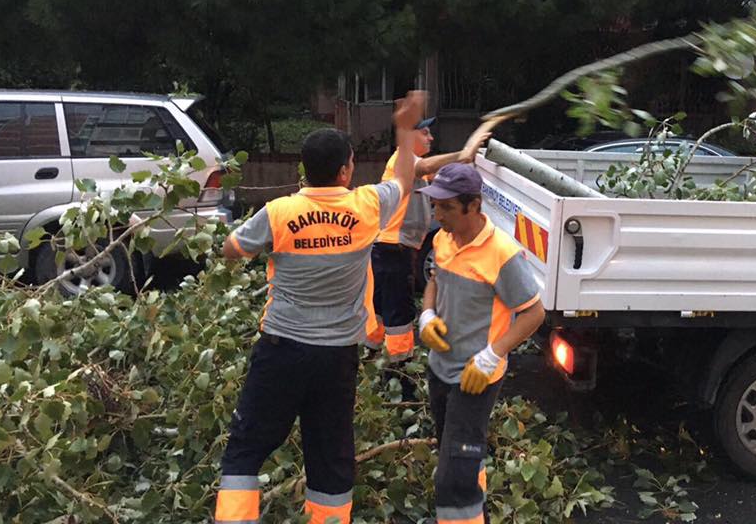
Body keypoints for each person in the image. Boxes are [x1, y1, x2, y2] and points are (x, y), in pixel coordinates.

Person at [213, 91, 425, 524]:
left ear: (304, 169)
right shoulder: (366, 206)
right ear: (346, 170)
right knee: (330, 458)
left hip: (281, 350)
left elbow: (231, 249)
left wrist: (270, 242)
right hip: (336, 358)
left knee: (246, 449)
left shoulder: (280, 212)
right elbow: (404, 179)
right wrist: (404, 129)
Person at [416, 163, 546, 524]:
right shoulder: (443, 239)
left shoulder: (502, 254)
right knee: (458, 459)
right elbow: (434, 281)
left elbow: (534, 313)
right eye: (435, 205)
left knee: (453, 481)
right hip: (439, 369)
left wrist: (492, 355)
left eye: (447, 207)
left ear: (473, 206)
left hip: (474, 380)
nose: (437, 215)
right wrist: (426, 314)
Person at [366, 118, 490, 374]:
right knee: (399, 314)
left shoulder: (414, 167)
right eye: (425, 133)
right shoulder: (402, 159)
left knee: (382, 308)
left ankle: (370, 356)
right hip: (393, 249)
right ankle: (401, 371)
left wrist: (470, 157)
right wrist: (463, 153)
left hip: (390, 249)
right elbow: (426, 166)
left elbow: (443, 173)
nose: (431, 138)